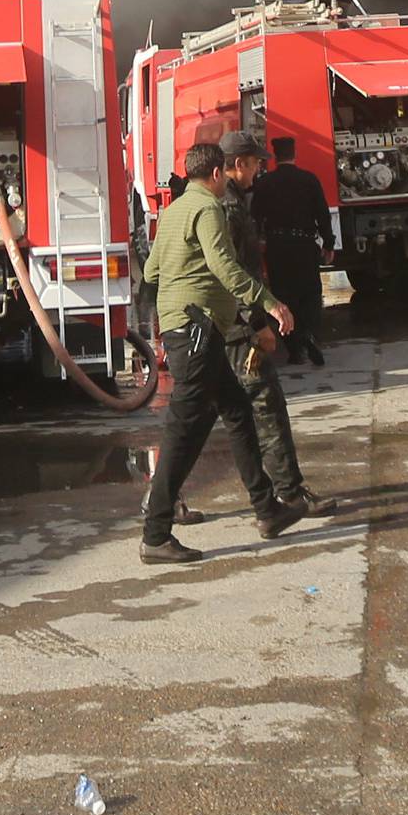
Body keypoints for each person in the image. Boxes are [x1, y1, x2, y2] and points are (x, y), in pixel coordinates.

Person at [138, 141, 305, 565]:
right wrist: (270, 303)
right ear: (216, 174)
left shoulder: (174, 211)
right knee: (184, 427)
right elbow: (225, 267)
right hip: (194, 328)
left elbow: (152, 271)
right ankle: (156, 533)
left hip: (190, 326)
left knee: (236, 410)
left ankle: (268, 510)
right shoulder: (209, 208)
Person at [218, 132, 336, 515]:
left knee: (198, 417)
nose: (258, 170)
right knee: (266, 404)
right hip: (236, 325)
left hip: (213, 324)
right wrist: (259, 323)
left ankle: (163, 499)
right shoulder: (229, 207)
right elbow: (234, 272)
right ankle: (288, 493)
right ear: (239, 164)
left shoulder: (231, 200)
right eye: (254, 163)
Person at [250, 135, 334, 367]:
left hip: (278, 247)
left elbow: (255, 216)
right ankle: (311, 334)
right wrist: (329, 243)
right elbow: (323, 214)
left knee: (284, 296)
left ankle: (295, 349)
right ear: (294, 154)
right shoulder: (309, 180)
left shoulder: (265, 183)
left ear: (276, 156)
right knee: (311, 294)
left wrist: (257, 243)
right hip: (305, 245)